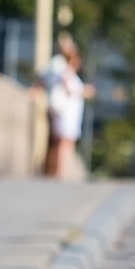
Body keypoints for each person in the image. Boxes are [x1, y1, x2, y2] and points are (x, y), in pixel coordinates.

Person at [38, 33, 90, 180]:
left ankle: (57, 172)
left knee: (64, 142)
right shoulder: (63, 69)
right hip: (65, 112)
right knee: (63, 142)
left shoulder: (63, 69)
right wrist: (84, 91)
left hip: (67, 112)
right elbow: (68, 89)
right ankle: (59, 173)